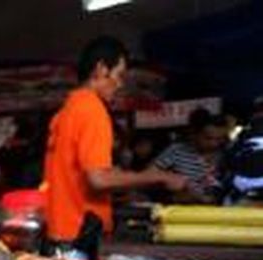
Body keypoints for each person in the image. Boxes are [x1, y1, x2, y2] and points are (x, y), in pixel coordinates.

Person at [43, 36, 187, 245]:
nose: (119, 85)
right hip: (82, 236)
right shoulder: (92, 109)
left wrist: (119, 183)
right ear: (101, 69)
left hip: (59, 232)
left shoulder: (67, 110)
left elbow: (79, 176)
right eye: (119, 75)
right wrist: (158, 176)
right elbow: (99, 179)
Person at [149, 108, 227, 203]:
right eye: (208, 138)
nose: (214, 144)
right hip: (180, 210)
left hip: (216, 212)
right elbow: (149, 174)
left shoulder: (227, 154)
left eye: (220, 139)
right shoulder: (176, 150)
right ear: (195, 134)